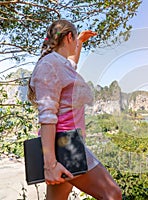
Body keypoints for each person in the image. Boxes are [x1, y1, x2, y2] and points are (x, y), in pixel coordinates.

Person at [27, 19, 122, 200]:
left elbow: (72, 64)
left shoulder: (60, 64)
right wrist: (50, 164)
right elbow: (47, 116)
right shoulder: (49, 65)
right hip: (65, 145)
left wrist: (80, 43)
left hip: (70, 143)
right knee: (112, 194)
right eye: (75, 39)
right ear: (69, 36)